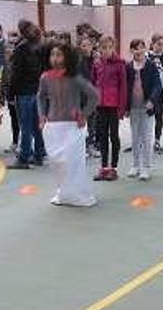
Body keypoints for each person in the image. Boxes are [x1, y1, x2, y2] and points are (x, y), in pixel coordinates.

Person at [38, 42, 99, 207]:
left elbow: (95, 96)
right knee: (57, 163)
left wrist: (84, 114)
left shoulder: (75, 78)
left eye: (59, 55)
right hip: (52, 127)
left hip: (73, 127)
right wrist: (42, 115)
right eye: (53, 55)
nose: (55, 58)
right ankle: (63, 193)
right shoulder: (45, 77)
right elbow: (40, 97)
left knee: (72, 163)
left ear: (67, 57)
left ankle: (79, 195)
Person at [8, 20, 46, 169]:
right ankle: (38, 154)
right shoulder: (40, 46)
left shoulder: (21, 48)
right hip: (37, 90)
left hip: (24, 92)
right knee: (37, 126)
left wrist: (10, 94)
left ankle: (23, 158)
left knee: (25, 126)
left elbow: (16, 74)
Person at [125, 39, 162, 181]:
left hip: (147, 108)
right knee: (135, 137)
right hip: (133, 108)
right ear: (131, 51)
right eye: (135, 48)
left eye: (141, 48)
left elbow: (157, 85)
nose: (138, 51)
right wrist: (126, 107)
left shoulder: (151, 66)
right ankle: (135, 165)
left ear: (145, 49)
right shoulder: (128, 67)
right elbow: (126, 87)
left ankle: (146, 167)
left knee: (146, 137)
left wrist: (152, 100)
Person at [92, 36, 127, 181]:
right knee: (102, 137)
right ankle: (104, 167)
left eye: (109, 47)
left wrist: (122, 108)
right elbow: (94, 83)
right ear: (99, 49)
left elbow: (123, 87)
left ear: (113, 48)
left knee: (114, 136)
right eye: (103, 47)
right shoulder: (97, 64)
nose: (106, 50)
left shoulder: (120, 65)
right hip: (100, 106)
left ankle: (114, 168)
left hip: (113, 106)